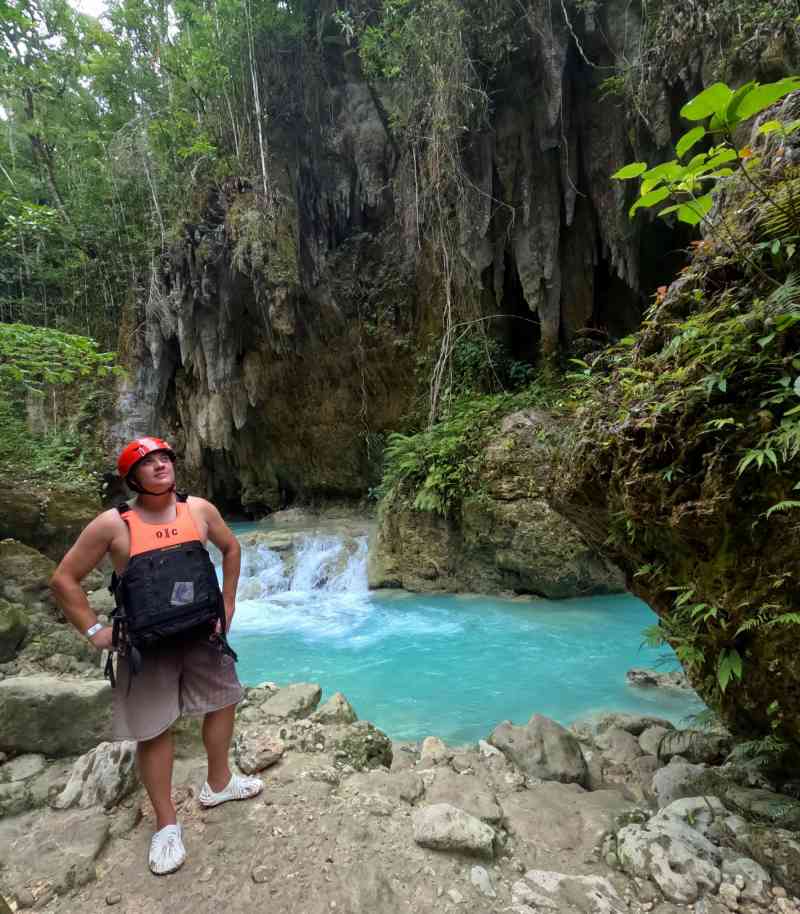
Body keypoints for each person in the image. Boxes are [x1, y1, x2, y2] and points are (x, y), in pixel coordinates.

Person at [50, 436, 263, 876]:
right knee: (154, 729)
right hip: (145, 645)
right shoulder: (113, 524)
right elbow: (64, 579)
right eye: (149, 463)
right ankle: (167, 824)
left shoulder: (199, 509)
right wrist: (94, 631)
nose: (161, 465)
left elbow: (232, 547)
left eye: (165, 458)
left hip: (204, 634)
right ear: (133, 478)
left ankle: (219, 783)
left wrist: (228, 604)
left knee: (224, 700)